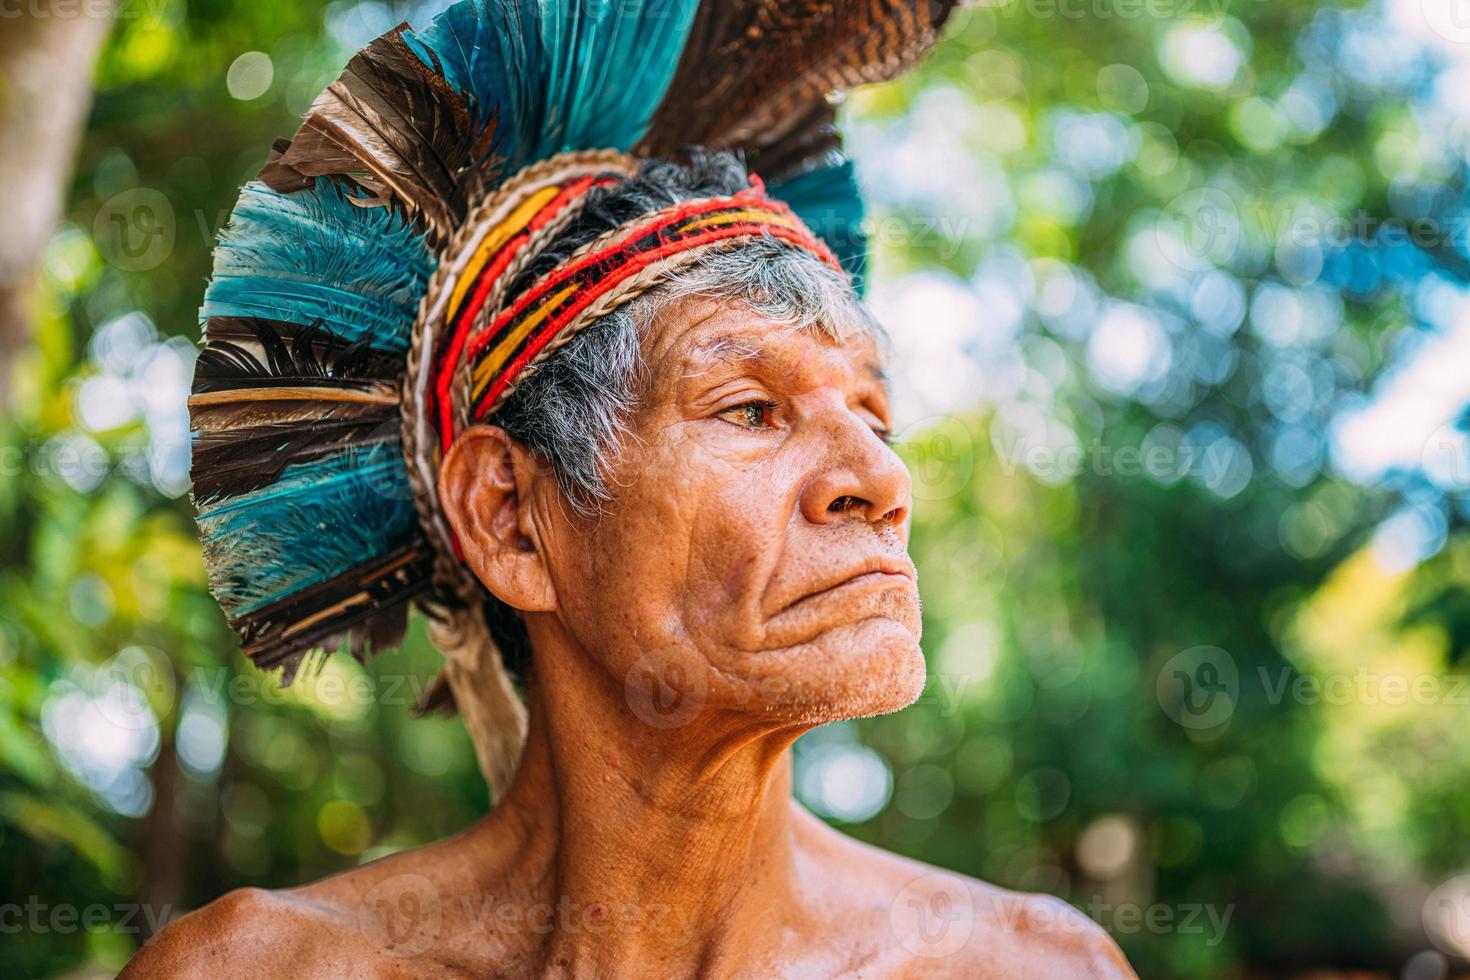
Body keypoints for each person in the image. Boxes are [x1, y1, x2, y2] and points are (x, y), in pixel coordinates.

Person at [126, 2, 1137, 976]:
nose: (880, 478)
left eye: (872, 413)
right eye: (750, 408)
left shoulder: (1032, 965)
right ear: (512, 518)